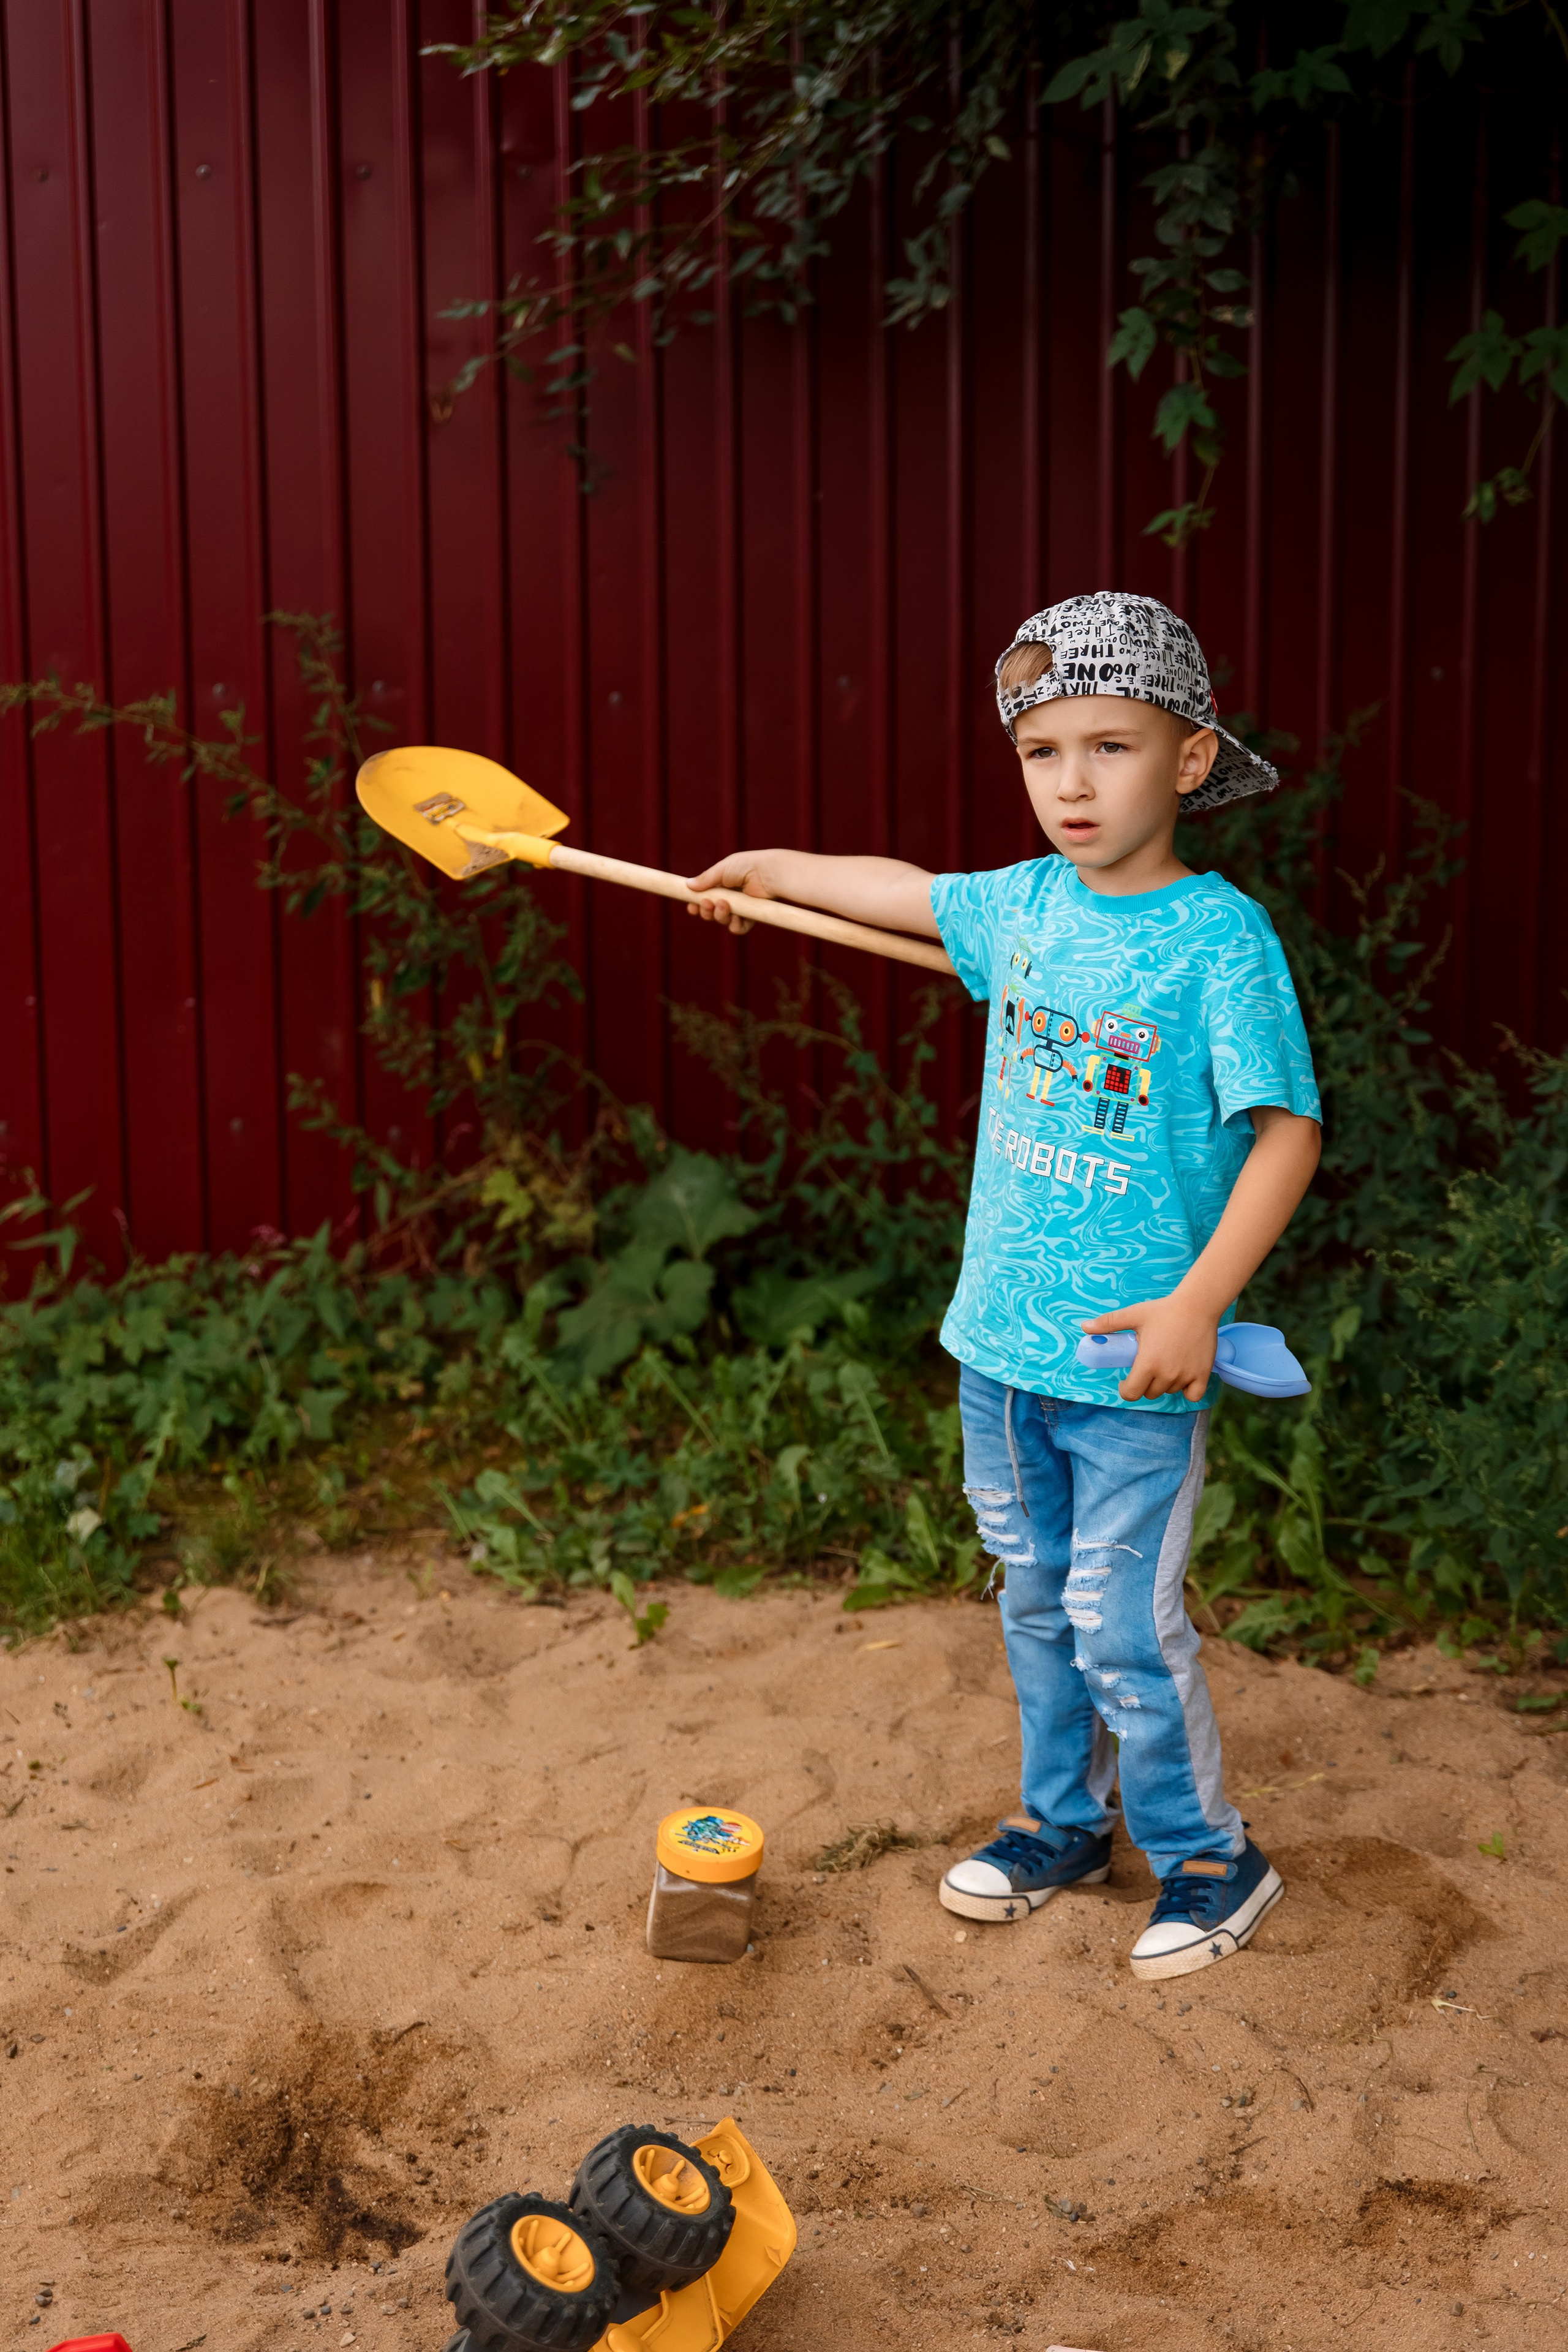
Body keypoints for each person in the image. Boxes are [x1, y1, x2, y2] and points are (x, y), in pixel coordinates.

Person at [686, 590, 1321, 1981]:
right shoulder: (1024, 906)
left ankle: (1210, 1856)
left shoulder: (1220, 940)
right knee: (1033, 1606)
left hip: (1131, 1359)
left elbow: (1288, 1132)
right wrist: (770, 872)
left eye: (1110, 747)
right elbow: (903, 891)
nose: (1072, 784)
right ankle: (1062, 1826)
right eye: (1042, 753)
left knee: (1122, 1623)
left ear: (1190, 760)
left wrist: (1199, 1304)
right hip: (1000, 1349)